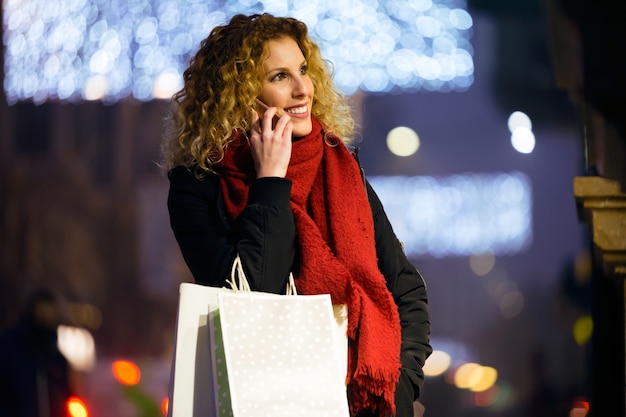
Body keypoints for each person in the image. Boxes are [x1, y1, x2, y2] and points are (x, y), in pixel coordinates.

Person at [162, 13, 432, 417]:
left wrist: (397, 390)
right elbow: (251, 300)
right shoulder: (197, 185)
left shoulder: (340, 169)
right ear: (238, 94)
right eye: (279, 77)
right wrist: (270, 181)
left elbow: (406, 293)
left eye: (303, 70)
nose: (303, 88)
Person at [0, 289, 73, 417]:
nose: (45, 319)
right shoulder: (10, 347)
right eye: (41, 314)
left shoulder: (56, 358)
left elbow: (66, 397)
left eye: (49, 315)